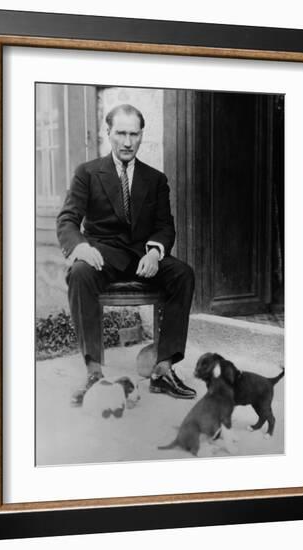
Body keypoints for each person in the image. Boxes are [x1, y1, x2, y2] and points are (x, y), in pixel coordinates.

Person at [57, 103, 195, 405]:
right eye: (121, 133)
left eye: (134, 134)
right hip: (102, 256)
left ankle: (162, 369)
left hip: (142, 259)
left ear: (142, 135)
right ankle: (94, 372)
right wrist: (81, 247)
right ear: (109, 133)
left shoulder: (156, 180)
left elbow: (164, 226)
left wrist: (156, 251)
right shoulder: (88, 173)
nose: (127, 142)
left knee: (183, 273)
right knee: (79, 272)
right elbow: (68, 219)